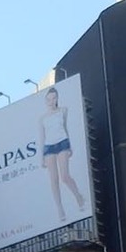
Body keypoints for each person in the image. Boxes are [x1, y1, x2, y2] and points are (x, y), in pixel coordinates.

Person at [38, 84, 88, 219]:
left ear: (57, 98)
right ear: (45, 101)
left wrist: (70, 145)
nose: (51, 101)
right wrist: (41, 156)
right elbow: (42, 138)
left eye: (54, 98)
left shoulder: (63, 111)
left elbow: (65, 127)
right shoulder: (42, 118)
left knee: (64, 176)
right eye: (49, 99)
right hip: (49, 147)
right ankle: (60, 209)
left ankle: (78, 197)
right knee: (53, 180)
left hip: (62, 143)